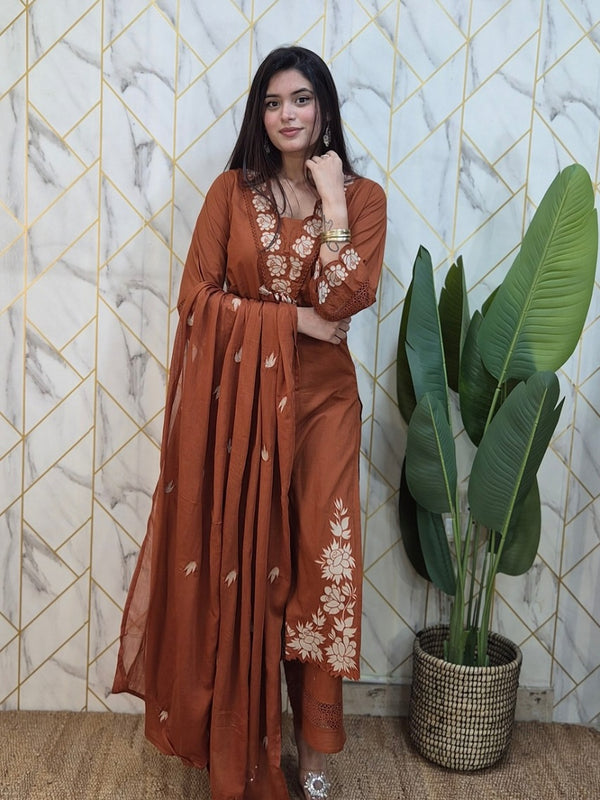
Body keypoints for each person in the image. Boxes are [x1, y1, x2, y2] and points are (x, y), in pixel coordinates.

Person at [112, 45, 387, 800]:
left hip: (324, 410)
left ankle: (316, 745)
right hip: (239, 416)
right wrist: (289, 319)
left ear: (324, 108)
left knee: (319, 573)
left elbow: (345, 299)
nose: (287, 114)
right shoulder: (230, 194)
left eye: (301, 100)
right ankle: (246, 741)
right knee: (248, 568)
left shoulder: (362, 199)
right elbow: (196, 299)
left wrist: (331, 203)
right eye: (273, 103)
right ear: (259, 116)